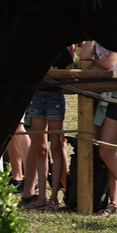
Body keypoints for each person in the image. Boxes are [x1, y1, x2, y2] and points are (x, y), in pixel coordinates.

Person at [80, 39, 117, 215]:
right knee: (107, 153)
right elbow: (83, 56)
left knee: (106, 151)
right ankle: (113, 202)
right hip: (103, 92)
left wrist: (93, 62)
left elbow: (109, 63)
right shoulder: (97, 37)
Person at [22, 45, 74, 211]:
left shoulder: (64, 52)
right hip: (37, 97)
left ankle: (53, 198)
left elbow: (70, 75)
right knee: (41, 148)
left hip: (55, 99)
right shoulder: (38, 50)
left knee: (56, 147)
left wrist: (54, 73)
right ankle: (42, 197)